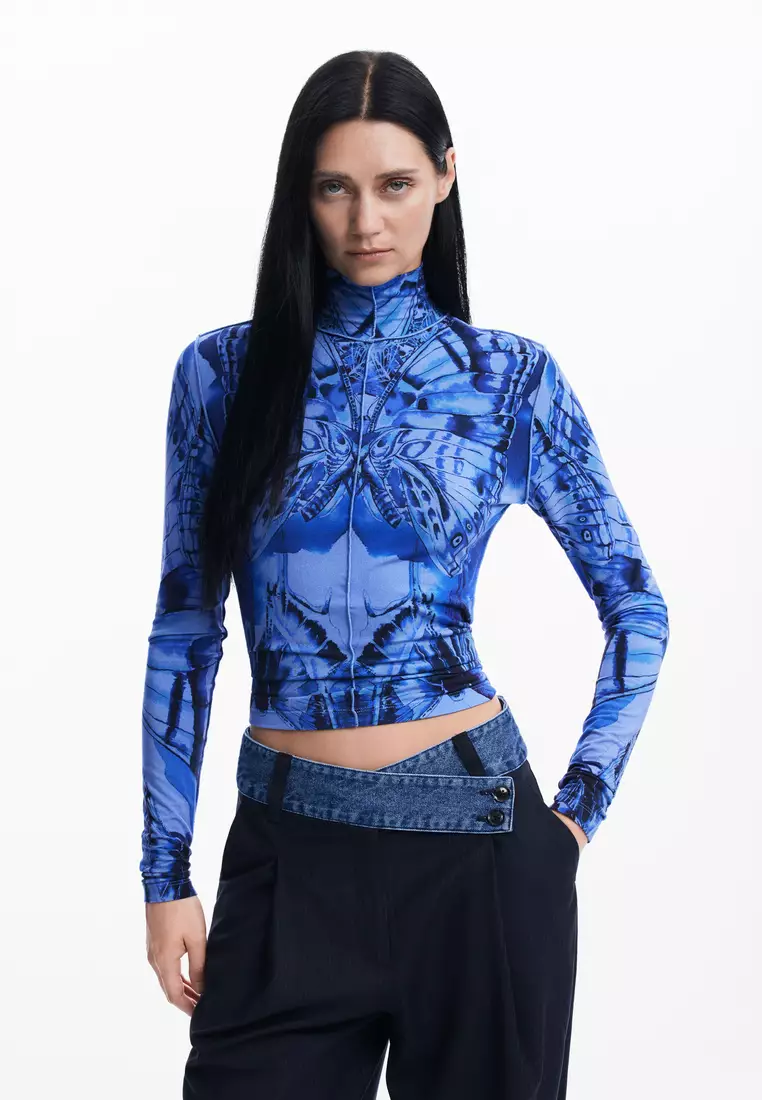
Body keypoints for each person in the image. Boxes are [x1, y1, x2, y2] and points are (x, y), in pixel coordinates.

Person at [141, 49, 670, 1100]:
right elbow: (185, 631)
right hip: (287, 858)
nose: (366, 221)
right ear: (301, 194)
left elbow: (637, 606)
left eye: (394, 184)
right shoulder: (221, 376)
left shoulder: (508, 380)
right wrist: (166, 876)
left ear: (444, 176)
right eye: (334, 187)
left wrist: (573, 816)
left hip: (481, 860)